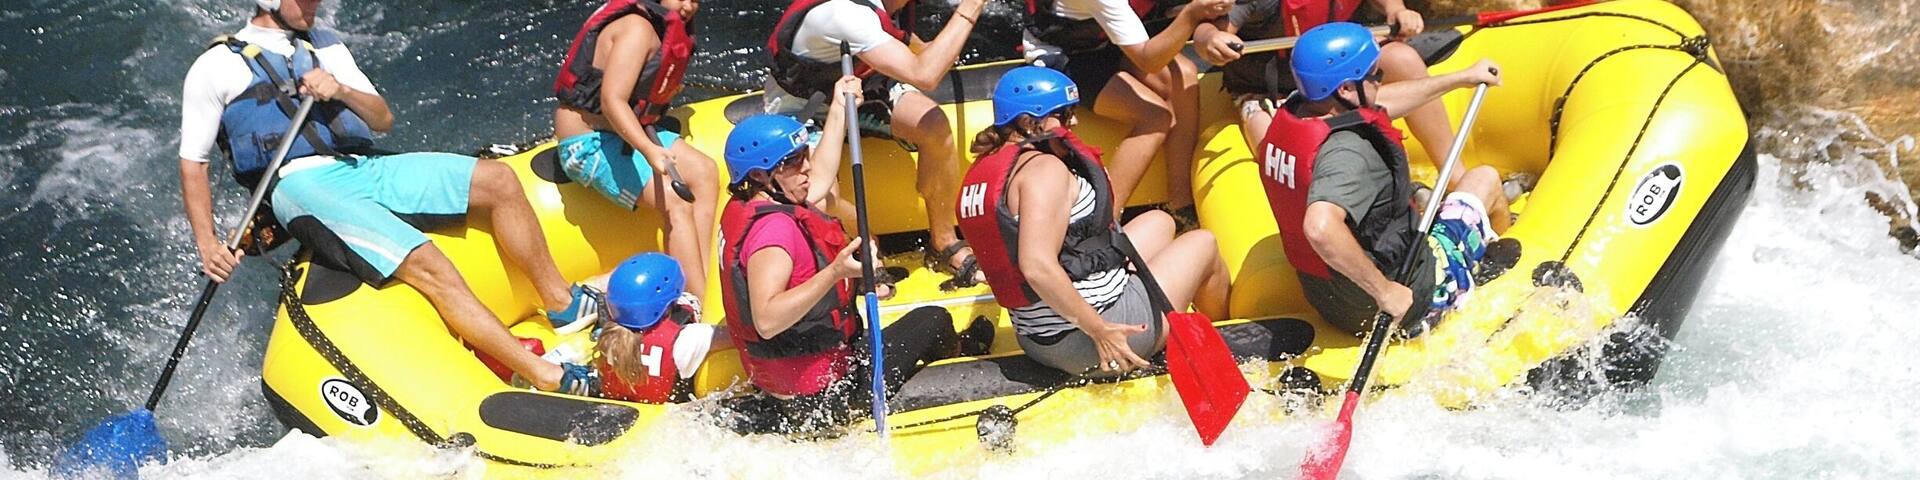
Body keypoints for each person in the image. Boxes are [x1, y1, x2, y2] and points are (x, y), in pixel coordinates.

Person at [178, 0, 595, 394]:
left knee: (498, 180)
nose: (314, 5)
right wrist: (207, 244)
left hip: (361, 166)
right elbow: (194, 163)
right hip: (300, 186)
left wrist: (340, 89)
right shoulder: (215, 67)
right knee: (430, 264)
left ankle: (561, 302)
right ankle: (543, 374)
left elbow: (382, 119)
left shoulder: (325, 46)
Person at [717, 78, 983, 429]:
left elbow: (821, 179)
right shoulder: (774, 233)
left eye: (805, 155)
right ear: (760, 174)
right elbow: (766, 320)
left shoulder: (750, 205)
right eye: (794, 161)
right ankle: (960, 353)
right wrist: (836, 272)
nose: (807, 167)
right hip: (824, 398)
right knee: (933, 320)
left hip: (792, 382)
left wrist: (840, 109)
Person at [956, 67, 1228, 375]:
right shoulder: (1044, 172)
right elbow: (1036, 266)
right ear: (1029, 122)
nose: (1073, 122)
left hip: (1038, 338)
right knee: (1204, 243)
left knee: (1160, 221)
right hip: (1094, 338)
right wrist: (1099, 329)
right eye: (1064, 114)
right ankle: (1230, 339)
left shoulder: (992, 166)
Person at [1253, 23, 1510, 336]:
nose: (1380, 80)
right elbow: (1320, 227)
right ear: (1345, 89)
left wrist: (1461, 78)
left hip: (1332, 300)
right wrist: (1385, 292)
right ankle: (1505, 265)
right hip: (1405, 295)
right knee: (1484, 179)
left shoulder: (1297, 112)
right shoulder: (1350, 152)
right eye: (1375, 75)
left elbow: (1379, 103)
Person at [763, 0, 990, 288]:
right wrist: (971, 7)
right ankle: (864, 238)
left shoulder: (888, 6)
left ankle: (943, 242)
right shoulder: (843, 13)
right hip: (805, 105)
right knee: (818, 195)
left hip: (862, 88)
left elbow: (899, 37)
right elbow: (925, 75)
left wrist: (931, 48)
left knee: (933, 125)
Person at [1193, 0, 1472, 188]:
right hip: (1268, 90)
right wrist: (1210, 40)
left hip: (1337, 73)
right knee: (1272, 139)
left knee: (1404, 59)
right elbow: (1209, 27)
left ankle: (1455, 177)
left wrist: (1396, 8)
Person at [552, 0, 719, 304]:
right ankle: (693, 303)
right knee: (675, 201)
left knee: (705, 171)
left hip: (624, 133)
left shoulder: (659, 27)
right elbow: (612, 100)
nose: (688, 6)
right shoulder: (637, 29)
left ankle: (702, 282)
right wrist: (648, 149)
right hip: (588, 143)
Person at [1023, 0, 1232, 228]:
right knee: (1155, 117)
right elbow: (1148, 60)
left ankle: (1181, 204)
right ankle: (1102, 221)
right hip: (1064, 56)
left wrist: (1210, 23)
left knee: (1184, 73)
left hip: (1105, 42)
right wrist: (1192, 14)